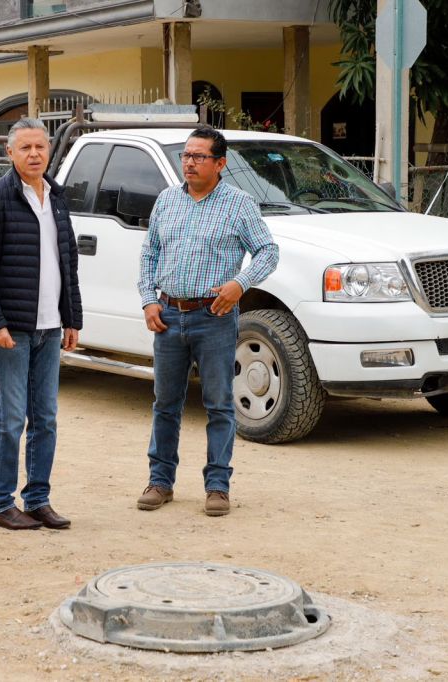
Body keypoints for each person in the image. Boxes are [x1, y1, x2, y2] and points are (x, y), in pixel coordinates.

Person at [136, 126, 279, 517]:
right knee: (165, 404)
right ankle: (160, 481)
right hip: (167, 316)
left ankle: (218, 486)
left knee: (218, 405)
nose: (189, 163)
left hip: (214, 318)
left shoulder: (239, 204)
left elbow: (268, 251)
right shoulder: (166, 201)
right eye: (186, 155)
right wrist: (150, 301)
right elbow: (149, 255)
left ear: (220, 163)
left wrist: (240, 283)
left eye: (199, 157)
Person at [0, 118, 82, 531]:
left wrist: (72, 318)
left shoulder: (57, 197)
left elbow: (68, 261)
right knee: (11, 419)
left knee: (45, 418)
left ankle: (37, 499)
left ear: (50, 152)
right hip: (10, 330)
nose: (34, 154)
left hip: (50, 328)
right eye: (26, 148)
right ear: (9, 153)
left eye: (41, 147)